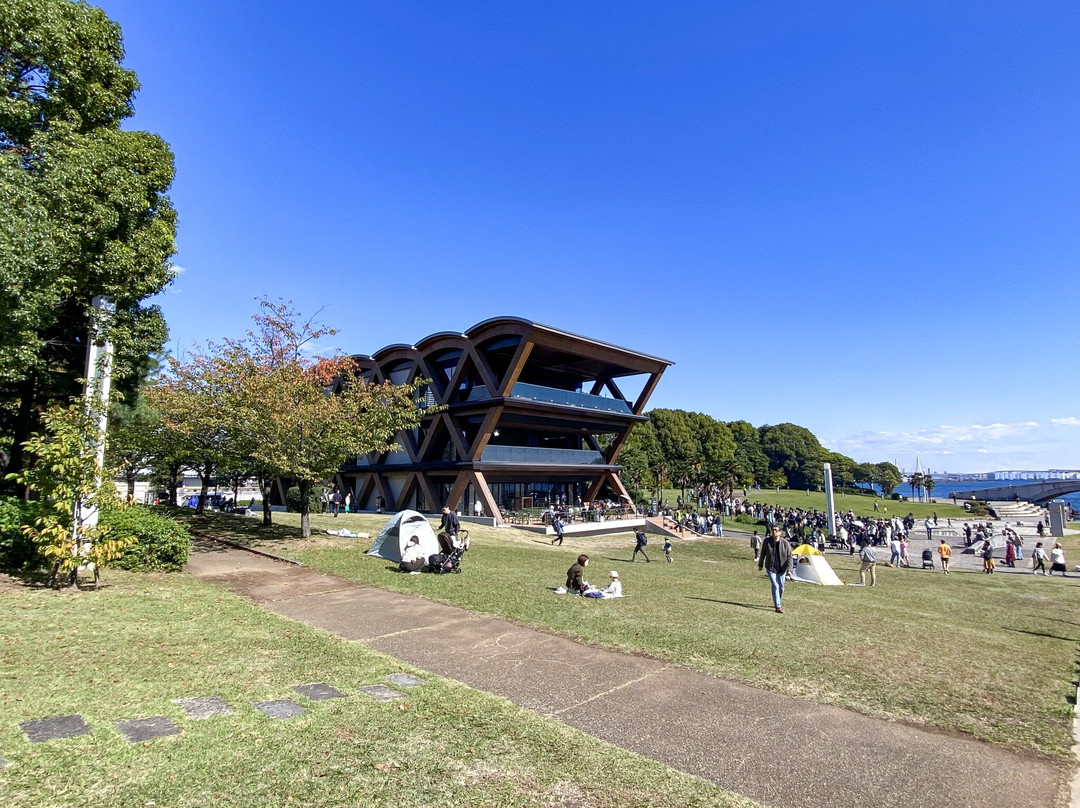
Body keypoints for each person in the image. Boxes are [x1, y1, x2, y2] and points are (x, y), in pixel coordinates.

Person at [758, 524, 793, 613]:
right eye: (773, 530)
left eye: (776, 530)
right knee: (775, 585)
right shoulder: (767, 541)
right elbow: (763, 553)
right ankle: (778, 606)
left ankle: (778, 602)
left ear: (780, 532)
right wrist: (760, 564)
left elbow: (789, 557)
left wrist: (789, 569)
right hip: (771, 567)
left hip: (782, 568)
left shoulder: (785, 543)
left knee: (781, 587)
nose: (774, 532)